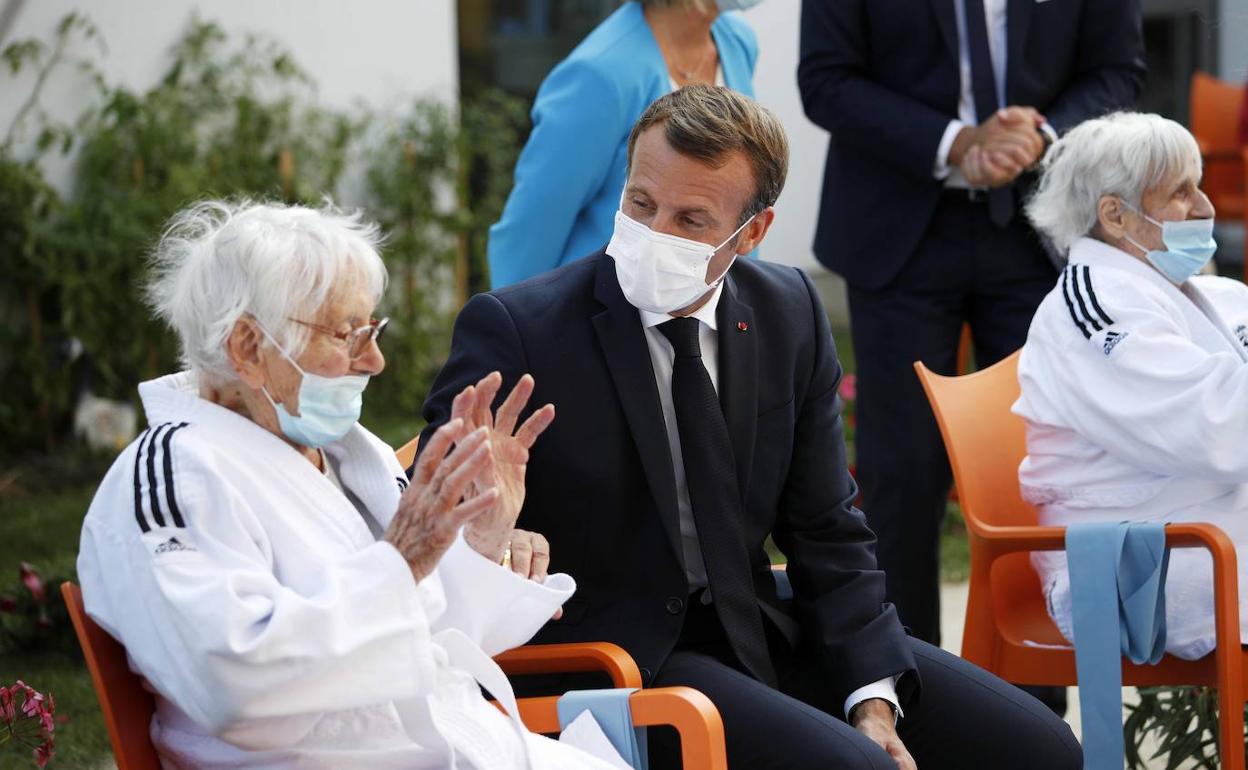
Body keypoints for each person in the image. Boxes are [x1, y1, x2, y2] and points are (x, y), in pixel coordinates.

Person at [422, 85, 1081, 770]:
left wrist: (870, 697)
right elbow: (424, 507)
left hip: (760, 623)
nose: (654, 235)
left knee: (1041, 748)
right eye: (640, 204)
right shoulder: (520, 329)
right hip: (619, 655)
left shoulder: (787, 310)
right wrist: (485, 532)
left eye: (691, 220)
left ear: (753, 232)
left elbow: (828, 527)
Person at [75, 200, 626, 769]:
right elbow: (237, 688)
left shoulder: (342, 454)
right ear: (248, 347)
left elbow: (425, 636)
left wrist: (482, 539)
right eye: (347, 334)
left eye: (372, 329)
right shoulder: (177, 473)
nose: (376, 360)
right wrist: (401, 559)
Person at [797, 0, 1146, 648]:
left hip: (1038, 227)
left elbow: (1117, 71)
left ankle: (1032, 705)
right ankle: (904, 687)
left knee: (1041, 467)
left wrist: (1039, 136)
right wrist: (957, 141)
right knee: (901, 471)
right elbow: (826, 80)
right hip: (898, 226)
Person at [1015, 112, 1248, 660]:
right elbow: (1219, 429)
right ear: (1115, 215)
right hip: (1140, 563)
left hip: (1207, 531)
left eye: (1200, 184)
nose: (1205, 207)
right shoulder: (1093, 309)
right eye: (1180, 192)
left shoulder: (1210, 291)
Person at [487, 0, 759, 289]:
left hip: (705, 303)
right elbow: (531, 229)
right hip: (608, 310)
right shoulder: (599, 73)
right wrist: (515, 326)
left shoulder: (735, 41)